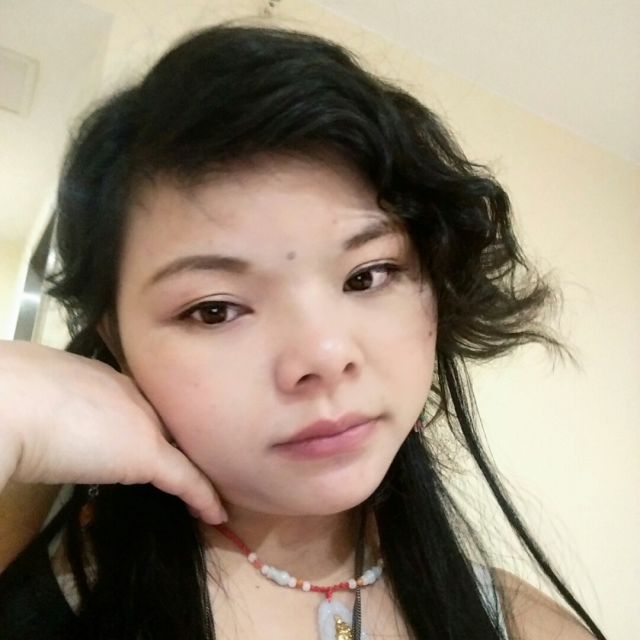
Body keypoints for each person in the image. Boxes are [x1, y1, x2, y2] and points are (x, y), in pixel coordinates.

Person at [0, 21, 607, 640]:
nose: (325, 355)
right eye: (215, 310)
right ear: (116, 338)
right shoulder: (41, 587)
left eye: (369, 275)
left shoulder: (526, 624)